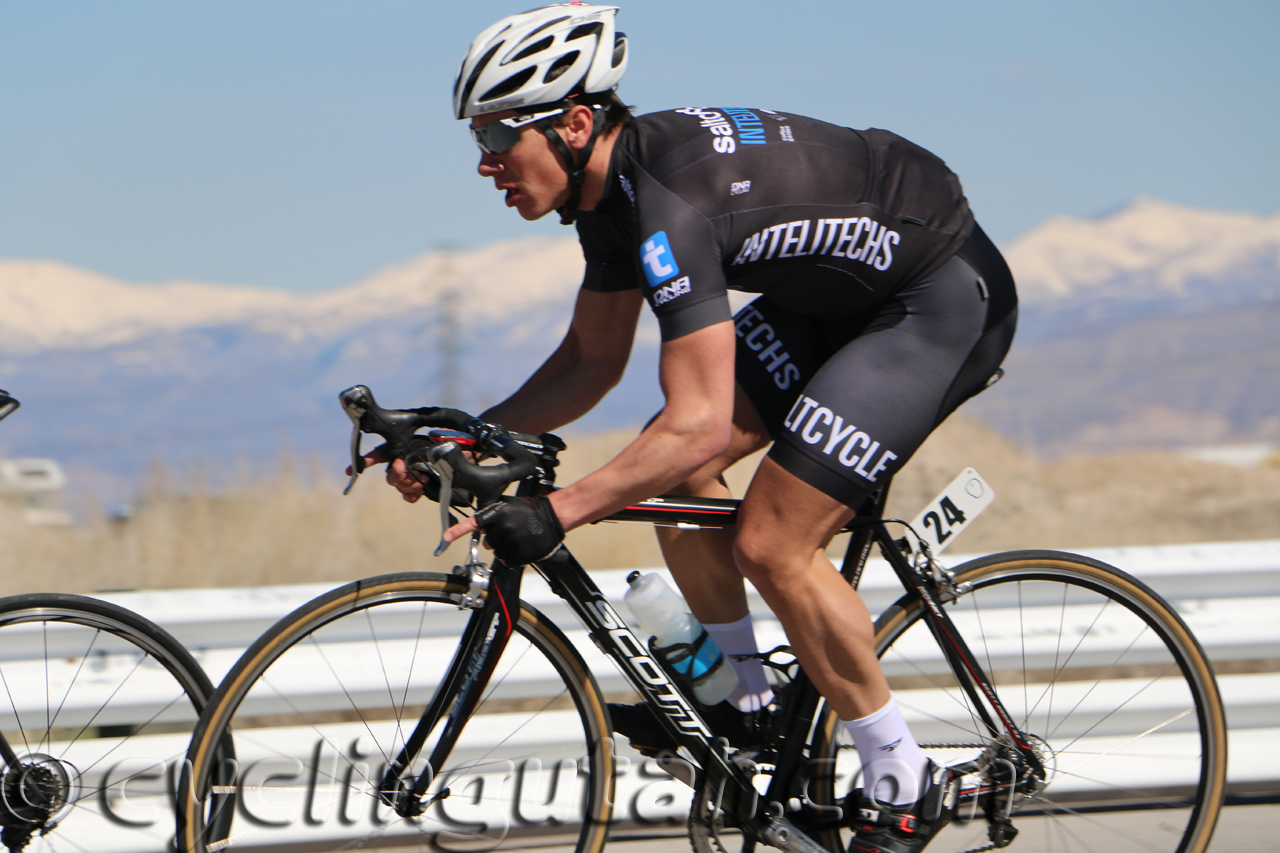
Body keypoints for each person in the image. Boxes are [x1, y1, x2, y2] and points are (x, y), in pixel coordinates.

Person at [376, 5, 1017, 852]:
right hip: (831, 300)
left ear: (575, 124)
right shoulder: (609, 200)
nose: (486, 161)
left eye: (499, 135)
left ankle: (901, 776)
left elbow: (699, 423)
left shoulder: (669, 206)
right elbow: (588, 363)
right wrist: (472, 436)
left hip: (933, 299)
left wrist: (560, 510)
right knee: (677, 469)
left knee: (772, 542)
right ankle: (746, 700)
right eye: (477, 139)